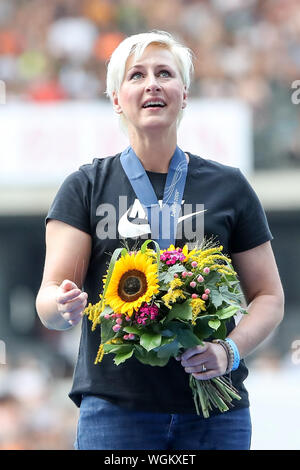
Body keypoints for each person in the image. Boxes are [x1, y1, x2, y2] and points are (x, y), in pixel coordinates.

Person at [35, 30, 284, 450]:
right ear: (117, 98)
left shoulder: (230, 186)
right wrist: (61, 307)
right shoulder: (85, 186)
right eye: (137, 75)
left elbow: (269, 297)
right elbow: (48, 298)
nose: (152, 83)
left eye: (164, 73)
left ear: (183, 94)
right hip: (117, 412)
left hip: (215, 414)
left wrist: (229, 350)